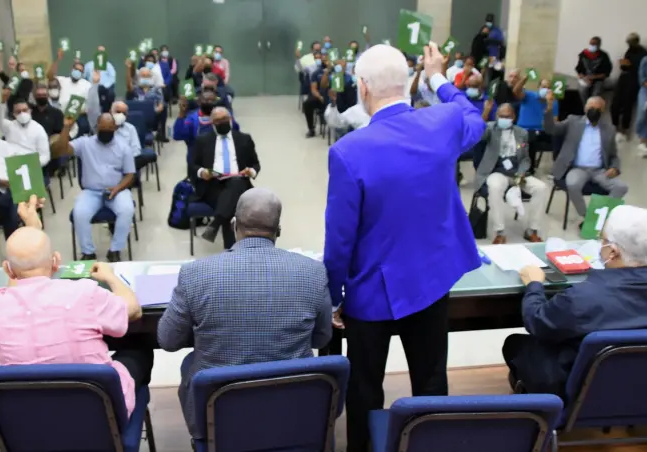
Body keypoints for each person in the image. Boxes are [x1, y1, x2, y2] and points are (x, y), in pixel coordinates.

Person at [324, 43, 484, 452]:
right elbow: (473, 116)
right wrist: (438, 77)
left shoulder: (348, 152)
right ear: (409, 81)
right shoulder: (443, 122)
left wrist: (334, 295)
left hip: (371, 293)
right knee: (431, 379)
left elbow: (340, 239)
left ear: (362, 87)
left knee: (365, 387)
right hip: (432, 280)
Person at [158, 188, 332, 439]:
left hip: (219, 420)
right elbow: (321, 338)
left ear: (233, 225)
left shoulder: (195, 274)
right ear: (278, 230)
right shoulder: (313, 273)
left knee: (191, 363)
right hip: (293, 416)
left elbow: (168, 340)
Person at [502, 205, 647, 397]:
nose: (601, 245)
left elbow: (537, 323)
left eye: (603, 240)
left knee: (516, 345)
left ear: (613, 252)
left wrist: (534, 285)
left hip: (585, 392)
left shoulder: (583, 298)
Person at [0, 196, 149, 417]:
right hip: (100, 416)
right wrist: (111, 277)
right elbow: (133, 310)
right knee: (139, 348)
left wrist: (32, 227)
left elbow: (15, 284)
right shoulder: (83, 292)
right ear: (56, 262)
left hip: (32, 419)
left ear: (7, 270)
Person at [54, 114, 135, 262]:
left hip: (116, 190)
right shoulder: (85, 143)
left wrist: (118, 188)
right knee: (80, 212)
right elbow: (61, 149)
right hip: (91, 191)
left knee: (127, 210)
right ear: (97, 128)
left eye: (109, 129)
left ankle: (115, 250)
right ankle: (88, 252)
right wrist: (66, 127)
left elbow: (130, 174)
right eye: (102, 129)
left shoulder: (124, 147)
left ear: (115, 128)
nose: (106, 132)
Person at [544, 94, 628, 228]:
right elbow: (551, 129)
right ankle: (588, 217)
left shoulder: (609, 129)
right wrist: (549, 109)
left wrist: (615, 167)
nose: (594, 111)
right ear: (585, 108)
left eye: (597, 109)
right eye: (591, 108)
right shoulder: (573, 121)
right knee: (573, 184)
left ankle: (601, 217)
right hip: (577, 168)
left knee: (621, 187)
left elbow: (613, 155)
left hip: (599, 170)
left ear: (603, 111)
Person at [477, 104, 548, 244]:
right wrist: (486, 111)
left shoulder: (521, 133)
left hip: (517, 172)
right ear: (497, 116)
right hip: (497, 172)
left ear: (514, 117)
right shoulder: (491, 129)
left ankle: (532, 230)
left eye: (507, 116)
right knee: (494, 187)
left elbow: (525, 158)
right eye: (501, 116)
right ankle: (500, 232)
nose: (504, 119)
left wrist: (520, 174)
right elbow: (478, 132)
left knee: (541, 188)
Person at [190, 107, 259, 249]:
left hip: (239, 182)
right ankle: (231, 248)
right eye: (218, 120)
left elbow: (255, 164)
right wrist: (202, 172)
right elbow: (193, 166)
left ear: (230, 120)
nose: (222, 122)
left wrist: (250, 171)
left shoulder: (244, 139)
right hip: (212, 185)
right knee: (232, 204)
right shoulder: (202, 140)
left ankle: (216, 225)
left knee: (235, 184)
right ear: (212, 123)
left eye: (224, 119)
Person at [174, 91, 240, 162]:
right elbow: (178, 136)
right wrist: (182, 113)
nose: (209, 102)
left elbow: (236, 132)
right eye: (206, 100)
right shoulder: (191, 118)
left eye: (212, 100)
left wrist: (225, 121)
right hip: (198, 159)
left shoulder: (224, 115)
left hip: (221, 157)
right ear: (199, 102)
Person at [612, 33, 647, 142]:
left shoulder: (644, 54)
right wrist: (623, 64)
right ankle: (616, 129)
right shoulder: (629, 50)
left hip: (634, 81)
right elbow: (625, 66)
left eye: (631, 42)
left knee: (627, 106)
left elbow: (643, 71)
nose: (629, 44)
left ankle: (624, 131)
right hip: (623, 78)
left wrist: (631, 66)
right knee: (615, 105)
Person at [0, 94, 50, 167]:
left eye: (24, 110)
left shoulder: (39, 129)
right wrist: (2, 102)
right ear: (14, 114)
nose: (22, 113)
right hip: (13, 165)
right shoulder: (9, 126)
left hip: (33, 166)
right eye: (18, 111)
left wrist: (32, 164)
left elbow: (45, 155)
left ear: (30, 111)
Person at [517, 79, 560, 172]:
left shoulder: (554, 102)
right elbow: (516, 91)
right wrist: (525, 78)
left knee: (559, 138)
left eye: (548, 88)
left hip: (544, 130)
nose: (546, 89)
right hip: (526, 130)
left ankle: (557, 170)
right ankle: (529, 169)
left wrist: (549, 106)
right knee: (530, 138)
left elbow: (552, 125)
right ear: (538, 88)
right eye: (543, 87)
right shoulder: (529, 95)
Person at [47, 48, 92, 130]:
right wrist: (58, 59)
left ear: (82, 73)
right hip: (60, 115)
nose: (77, 72)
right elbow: (50, 76)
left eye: (80, 71)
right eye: (76, 69)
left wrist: (74, 113)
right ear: (72, 69)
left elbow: (90, 106)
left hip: (77, 117)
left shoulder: (87, 85)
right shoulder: (63, 80)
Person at [125, 67, 167, 141]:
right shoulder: (134, 89)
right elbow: (128, 85)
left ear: (151, 78)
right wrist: (128, 69)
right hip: (136, 121)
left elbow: (161, 105)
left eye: (147, 76)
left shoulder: (156, 90)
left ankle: (160, 135)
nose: (145, 78)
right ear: (139, 77)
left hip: (152, 121)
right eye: (143, 76)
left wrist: (151, 112)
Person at [575, 36, 613, 102]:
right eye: (590, 44)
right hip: (585, 79)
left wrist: (593, 77)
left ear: (599, 45)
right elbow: (579, 69)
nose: (591, 46)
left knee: (596, 94)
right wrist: (583, 77)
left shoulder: (604, 56)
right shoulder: (583, 54)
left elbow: (606, 72)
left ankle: (592, 107)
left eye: (594, 44)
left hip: (597, 80)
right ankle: (585, 106)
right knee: (582, 91)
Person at [303, 53, 332, 137]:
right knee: (307, 103)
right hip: (320, 97)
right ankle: (311, 129)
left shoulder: (336, 71)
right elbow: (314, 89)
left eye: (326, 58)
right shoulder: (316, 73)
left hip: (334, 98)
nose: (324, 60)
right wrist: (320, 97)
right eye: (323, 58)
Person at [0, 53, 33, 118]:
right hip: (11, 112)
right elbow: (0, 73)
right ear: (17, 72)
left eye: (24, 70)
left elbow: (21, 94)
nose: (24, 72)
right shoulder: (11, 80)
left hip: (23, 111)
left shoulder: (28, 82)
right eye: (21, 70)